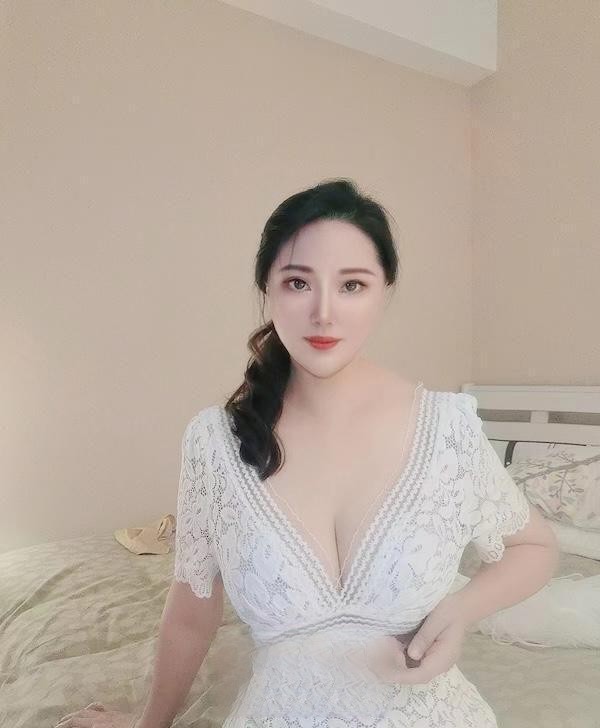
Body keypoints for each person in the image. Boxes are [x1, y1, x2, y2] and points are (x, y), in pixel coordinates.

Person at [56, 178, 554, 728]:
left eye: (352, 285)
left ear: (384, 292)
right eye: (298, 282)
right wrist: (150, 724)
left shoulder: (446, 428)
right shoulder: (214, 443)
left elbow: (533, 545)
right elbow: (192, 613)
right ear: (267, 290)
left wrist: (460, 610)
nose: (324, 313)